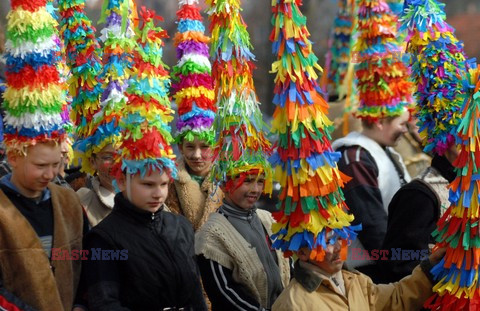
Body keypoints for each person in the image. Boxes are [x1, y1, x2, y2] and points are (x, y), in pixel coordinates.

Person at [0, 0, 85, 309]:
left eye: (56, 165)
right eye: (40, 166)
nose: (50, 174)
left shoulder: (68, 202)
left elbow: (83, 263)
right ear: (13, 156)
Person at [165, 1, 223, 231]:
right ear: (180, 146)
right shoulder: (167, 183)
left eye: (204, 146)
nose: (197, 155)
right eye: (189, 146)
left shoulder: (230, 182)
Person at [332, 108, 411, 274]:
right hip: (371, 270)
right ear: (380, 122)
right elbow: (371, 224)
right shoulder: (355, 158)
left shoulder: (382, 150)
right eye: (402, 124)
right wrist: (400, 268)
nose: (405, 130)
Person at [196, 172, 291, 311]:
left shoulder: (268, 219)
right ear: (224, 184)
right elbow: (225, 294)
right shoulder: (211, 235)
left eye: (260, 181)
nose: (256, 189)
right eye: (247, 181)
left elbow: (289, 266)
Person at [272, 236, 445, 310]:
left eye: (340, 237)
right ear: (302, 253)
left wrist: (430, 268)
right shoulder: (293, 305)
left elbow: (394, 300)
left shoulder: (353, 280)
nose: (339, 247)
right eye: (327, 241)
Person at [77, 144, 116, 227]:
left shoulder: (143, 199)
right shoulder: (84, 205)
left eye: (123, 155)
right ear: (93, 162)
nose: (116, 164)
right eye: (108, 157)